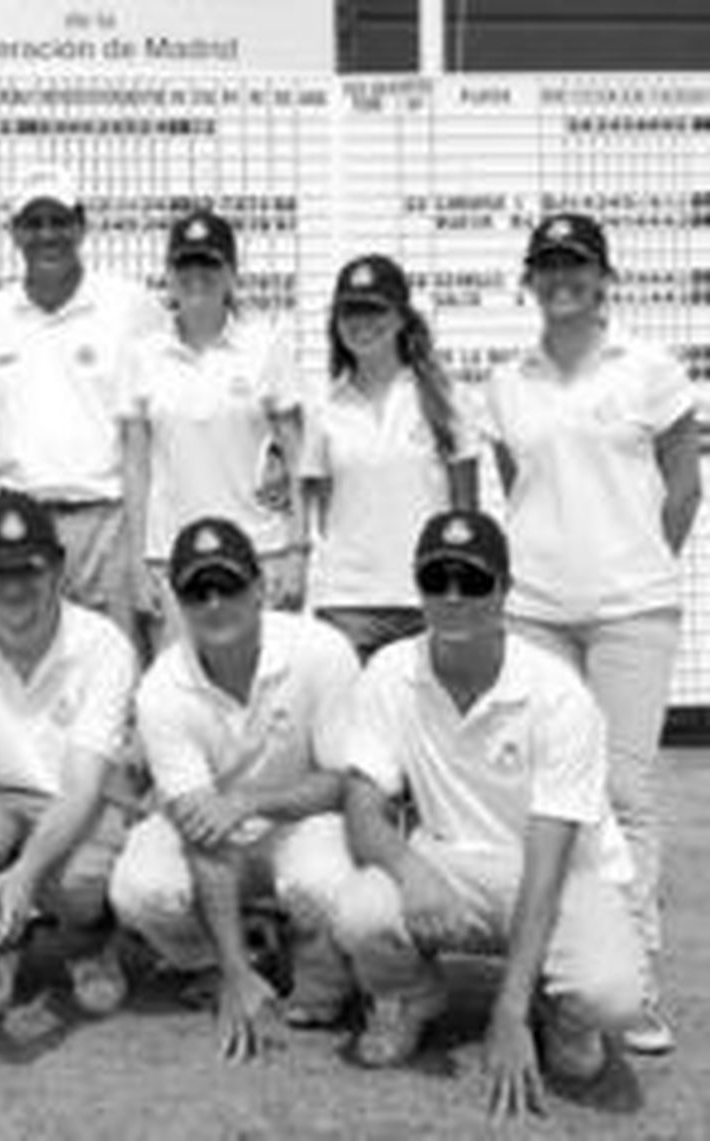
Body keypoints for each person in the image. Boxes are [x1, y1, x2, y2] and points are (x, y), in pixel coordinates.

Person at [331, 509, 647, 1122]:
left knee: (612, 996)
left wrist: (508, 1011)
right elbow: (363, 811)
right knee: (359, 908)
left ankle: (558, 1016)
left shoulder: (558, 694)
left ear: (504, 589)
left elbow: (548, 863)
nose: (452, 597)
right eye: (435, 578)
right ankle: (410, 997)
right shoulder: (389, 672)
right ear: (417, 585)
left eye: (472, 581)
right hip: (451, 860)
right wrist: (411, 869)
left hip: (559, 873)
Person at [485, 211, 701, 1054]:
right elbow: (521, 486)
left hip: (630, 612)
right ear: (530, 279)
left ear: (604, 276)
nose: (562, 278)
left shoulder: (649, 367)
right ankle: (552, 968)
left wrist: (635, 564)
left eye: (577, 264)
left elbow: (682, 487)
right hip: (535, 609)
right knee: (545, 792)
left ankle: (634, 975)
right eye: (547, 265)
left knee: (625, 794)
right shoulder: (510, 380)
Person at [109, 516, 361, 1061]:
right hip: (215, 835)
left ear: (260, 586)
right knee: (139, 888)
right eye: (197, 591)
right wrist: (234, 972)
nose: (215, 603)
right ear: (176, 600)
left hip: (303, 818)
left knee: (324, 880)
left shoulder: (323, 651)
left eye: (229, 585)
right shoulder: (161, 689)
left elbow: (344, 784)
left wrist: (250, 801)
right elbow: (202, 830)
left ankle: (320, 968)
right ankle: (226, 961)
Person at [0, 490, 137, 1017]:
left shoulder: (104, 644)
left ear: (58, 569)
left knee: (78, 879)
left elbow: (84, 787)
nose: (14, 587)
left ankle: (89, 943)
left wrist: (25, 877)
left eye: (29, 570)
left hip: (76, 801)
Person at [0, 164, 166, 640]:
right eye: (34, 223)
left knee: (119, 661)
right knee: (25, 662)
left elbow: (167, 398)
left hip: (107, 518)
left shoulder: (130, 305)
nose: (47, 235)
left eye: (59, 221)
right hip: (20, 519)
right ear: (15, 232)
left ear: (81, 226)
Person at [120, 208, 306, 652]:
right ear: (168, 274)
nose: (196, 276)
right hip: (172, 561)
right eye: (185, 264)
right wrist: (136, 563)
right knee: (181, 701)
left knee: (266, 695)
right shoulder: (142, 355)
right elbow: (135, 468)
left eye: (210, 264)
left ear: (232, 275)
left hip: (260, 557)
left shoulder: (266, 347)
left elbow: (299, 459)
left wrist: (297, 554)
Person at [299, 254, 479, 661]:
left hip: (430, 598)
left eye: (375, 309)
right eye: (350, 312)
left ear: (401, 317)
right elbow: (323, 510)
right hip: (347, 603)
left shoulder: (446, 396)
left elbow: (466, 508)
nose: (361, 323)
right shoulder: (323, 404)